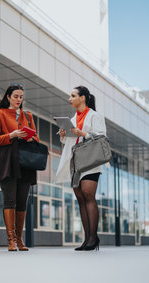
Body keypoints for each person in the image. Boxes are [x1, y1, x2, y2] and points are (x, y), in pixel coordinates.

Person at [55, 86, 107, 251]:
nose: (70, 99)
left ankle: (94, 238)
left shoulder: (95, 116)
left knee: (88, 194)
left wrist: (83, 133)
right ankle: (87, 239)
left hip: (91, 160)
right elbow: (71, 142)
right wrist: (64, 136)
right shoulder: (72, 118)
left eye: (73, 96)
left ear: (83, 98)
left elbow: (102, 137)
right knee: (80, 198)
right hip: (76, 161)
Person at [0, 84, 38, 251]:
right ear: (8, 97)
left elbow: (36, 138)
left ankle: (19, 239)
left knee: (22, 202)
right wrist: (12, 135)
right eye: (16, 96)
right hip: (7, 161)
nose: (19, 99)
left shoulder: (28, 115)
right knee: (9, 200)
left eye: (21, 97)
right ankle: (10, 240)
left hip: (25, 162)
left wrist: (31, 138)